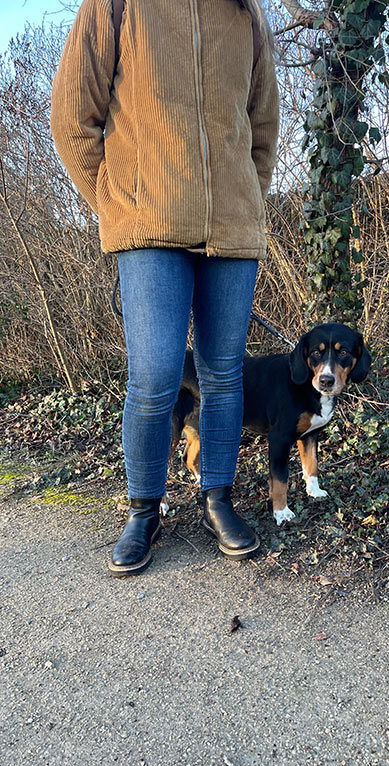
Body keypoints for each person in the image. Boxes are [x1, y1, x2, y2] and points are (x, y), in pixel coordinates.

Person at [50, 0, 280, 575]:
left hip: (232, 226)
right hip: (147, 225)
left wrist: (247, 202)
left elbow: (262, 129)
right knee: (154, 375)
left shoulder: (246, 14)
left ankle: (217, 498)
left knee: (223, 373)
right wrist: (117, 204)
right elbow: (73, 116)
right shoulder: (116, 4)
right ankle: (144, 510)